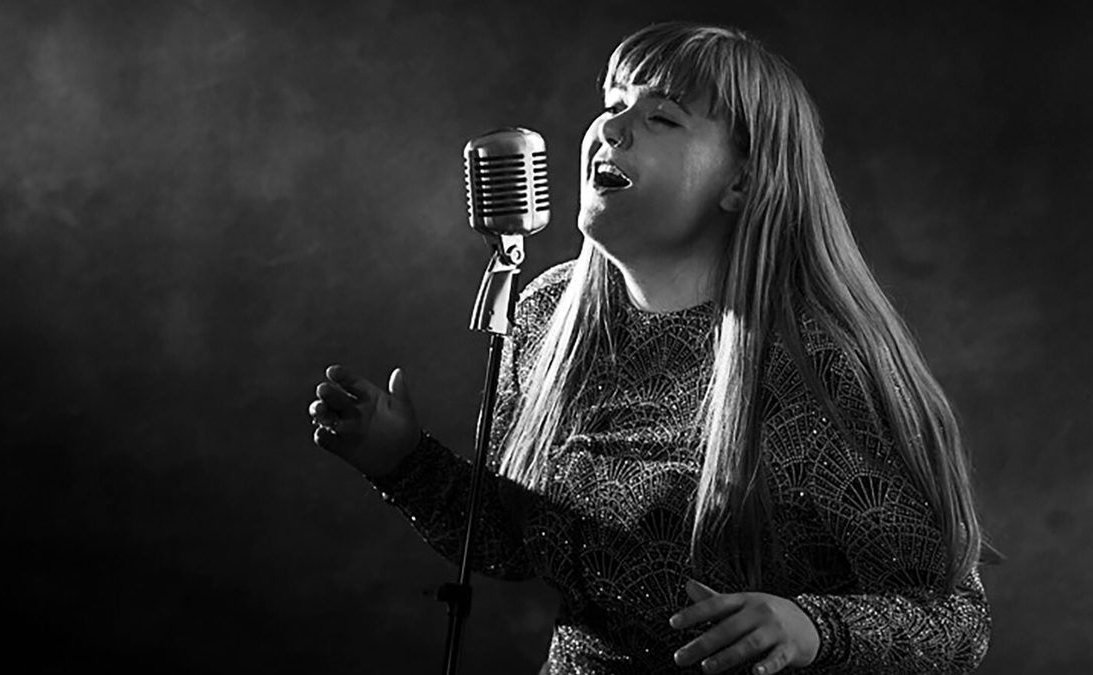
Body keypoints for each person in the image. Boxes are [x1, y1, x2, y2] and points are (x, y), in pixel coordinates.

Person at [309, 22, 993, 675]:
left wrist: (810, 627)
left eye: (663, 117)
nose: (611, 128)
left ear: (742, 181)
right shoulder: (546, 316)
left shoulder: (817, 365)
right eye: (613, 105)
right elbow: (516, 543)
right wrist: (401, 460)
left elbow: (955, 622)